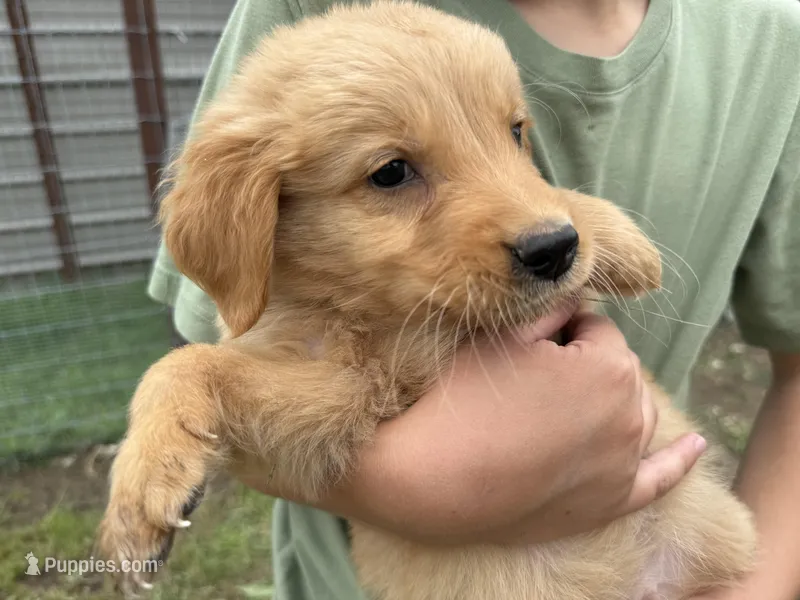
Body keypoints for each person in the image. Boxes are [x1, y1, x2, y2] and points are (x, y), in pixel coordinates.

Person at [147, 0, 800, 598]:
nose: (536, 222)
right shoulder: (298, 18)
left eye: (516, 133)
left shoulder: (772, 41)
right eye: (392, 173)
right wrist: (431, 490)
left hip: (686, 555)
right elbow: (228, 379)